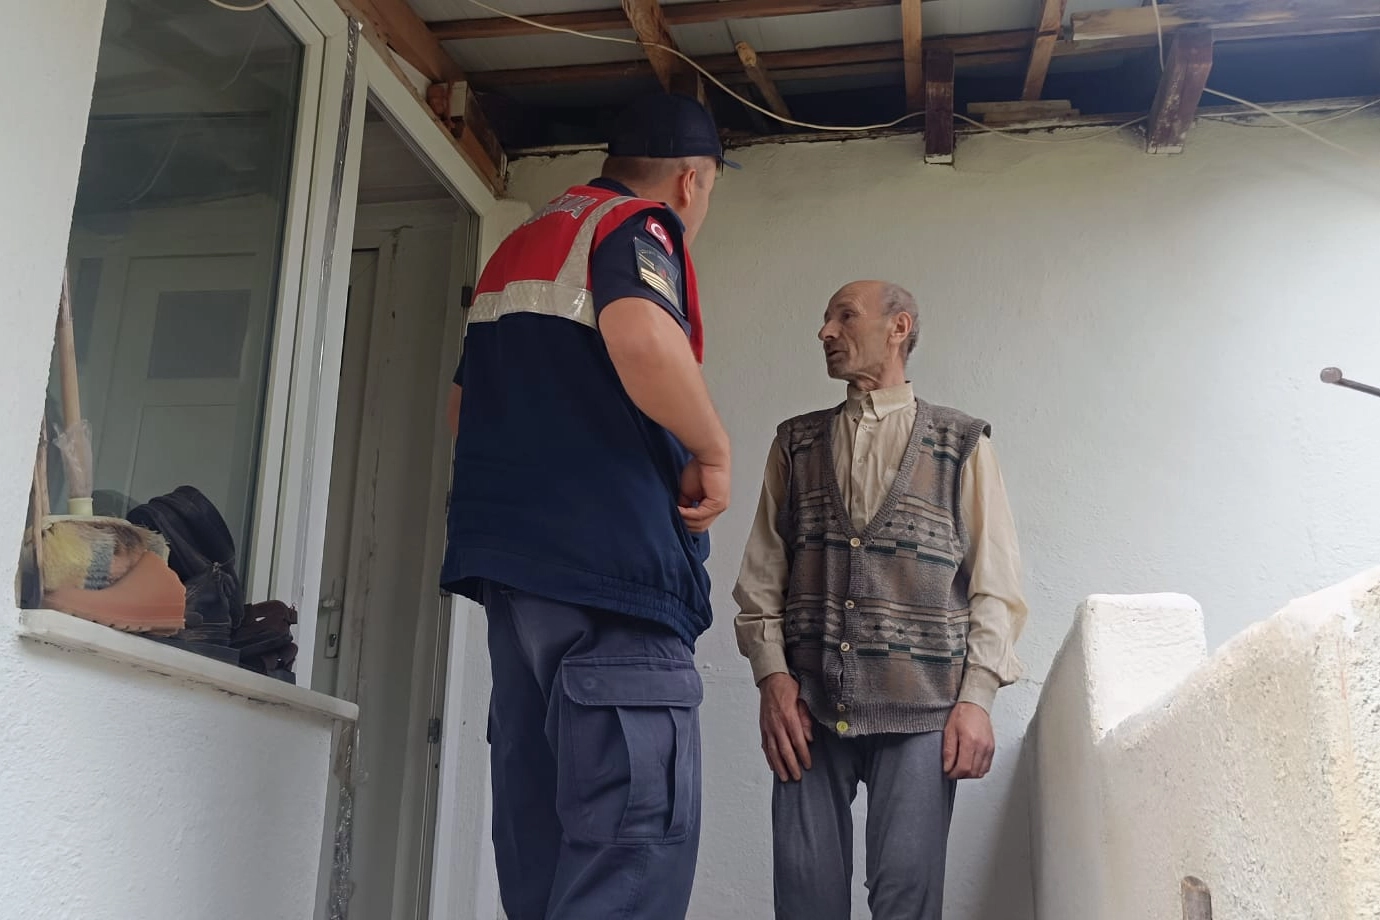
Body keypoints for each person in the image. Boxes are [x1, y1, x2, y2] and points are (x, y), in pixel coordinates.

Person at [440, 93, 735, 920]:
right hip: (614, 583)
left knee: (543, 861)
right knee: (628, 858)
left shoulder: (519, 249)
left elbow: (463, 411)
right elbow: (641, 336)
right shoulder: (634, 226)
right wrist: (712, 449)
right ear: (690, 180)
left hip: (519, 590)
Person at [733, 280, 1028, 920]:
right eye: (825, 319)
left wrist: (977, 699)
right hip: (807, 706)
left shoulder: (961, 442)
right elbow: (762, 574)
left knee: (906, 900)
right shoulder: (795, 444)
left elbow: (996, 584)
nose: (826, 332)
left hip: (923, 708)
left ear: (899, 328)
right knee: (805, 900)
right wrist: (772, 678)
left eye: (845, 316)